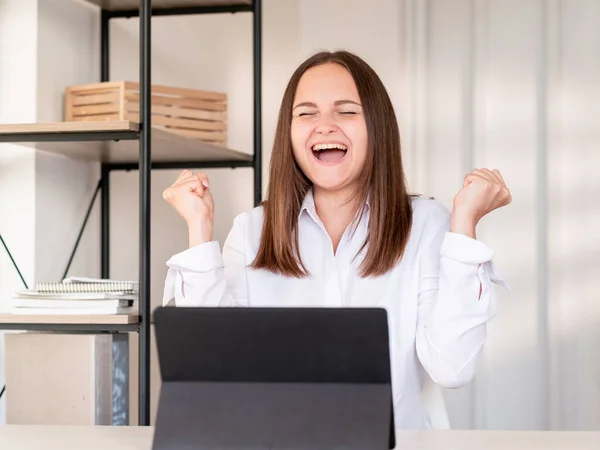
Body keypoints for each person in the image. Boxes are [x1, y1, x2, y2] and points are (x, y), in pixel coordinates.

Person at [161, 50, 511, 430]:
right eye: (306, 113)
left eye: (346, 111)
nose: (324, 126)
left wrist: (465, 225)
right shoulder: (251, 231)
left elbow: (452, 367)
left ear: (377, 126)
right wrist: (199, 228)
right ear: (289, 133)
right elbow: (215, 371)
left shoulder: (425, 225)